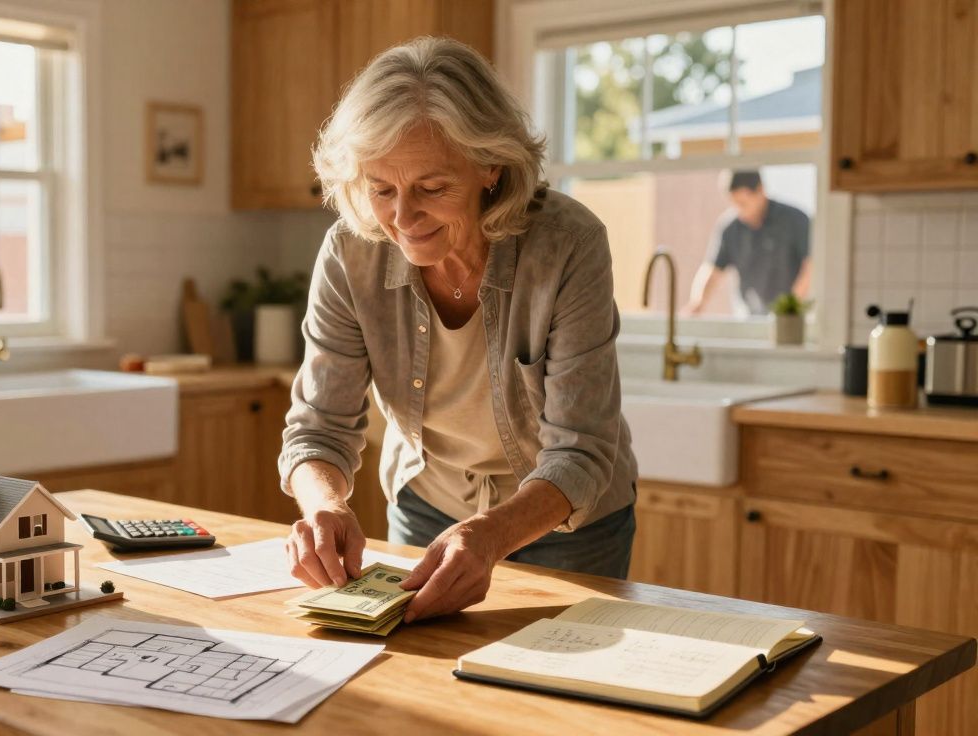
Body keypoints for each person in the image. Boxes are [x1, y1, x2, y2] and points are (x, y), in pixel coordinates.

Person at [280, 37, 638, 623]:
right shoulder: (350, 252)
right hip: (427, 508)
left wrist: (492, 535)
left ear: (490, 167)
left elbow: (581, 450)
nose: (401, 219)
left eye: (432, 187)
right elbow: (318, 427)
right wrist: (324, 504)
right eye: (381, 189)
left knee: (557, 700)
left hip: (571, 521)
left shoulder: (568, 245)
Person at [686, 171, 812, 316]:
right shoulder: (730, 227)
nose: (739, 210)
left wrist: (789, 309)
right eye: (734, 204)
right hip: (749, 316)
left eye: (743, 203)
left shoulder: (795, 220)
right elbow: (712, 270)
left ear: (760, 190)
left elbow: (810, 268)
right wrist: (697, 304)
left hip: (791, 318)